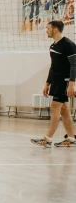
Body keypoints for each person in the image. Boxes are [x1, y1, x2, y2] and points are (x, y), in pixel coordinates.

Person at [30, 20, 76, 148]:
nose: (46, 30)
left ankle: (48, 139)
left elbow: (74, 65)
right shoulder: (53, 47)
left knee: (55, 107)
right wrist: (47, 83)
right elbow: (53, 67)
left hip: (65, 81)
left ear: (55, 29)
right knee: (64, 110)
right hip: (56, 81)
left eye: (48, 28)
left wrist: (72, 84)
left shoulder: (69, 45)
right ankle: (72, 138)